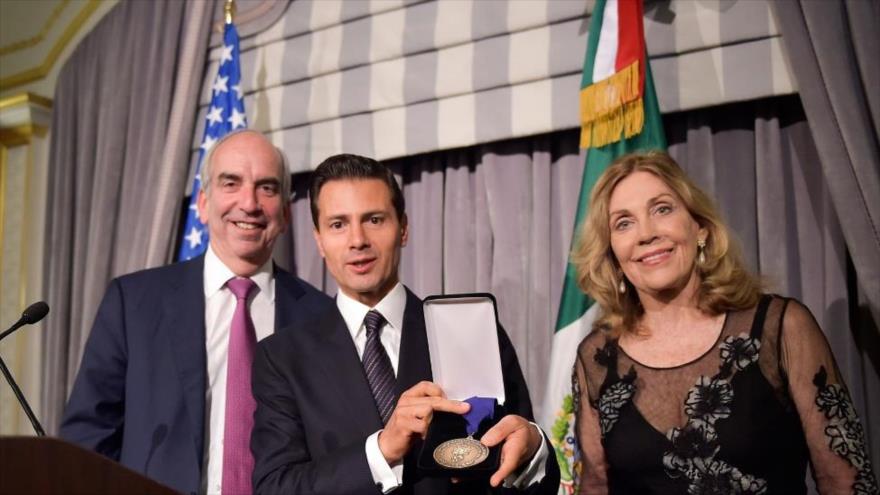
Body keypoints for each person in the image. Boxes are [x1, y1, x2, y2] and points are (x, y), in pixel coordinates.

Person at [250, 153, 560, 494]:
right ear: (319, 240)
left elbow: (526, 465)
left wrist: (533, 450)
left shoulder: (471, 328)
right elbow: (274, 487)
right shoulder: (282, 358)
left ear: (403, 228)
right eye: (338, 224)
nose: (357, 240)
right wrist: (381, 450)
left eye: (374, 220)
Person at [571, 151, 878, 494]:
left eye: (662, 209)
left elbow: (845, 481)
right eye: (623, 223)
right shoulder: (596, 358)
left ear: (700, 228)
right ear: (613, 254)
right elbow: (594, 486)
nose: (646, 233)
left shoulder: (781, 327)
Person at [60, 130, 332, 495]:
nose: (249, 203)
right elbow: (87, 439)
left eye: (266, 188)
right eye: (231, 183)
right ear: (203, 204)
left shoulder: (321, 317)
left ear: (284, 213)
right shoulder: (133, 302)